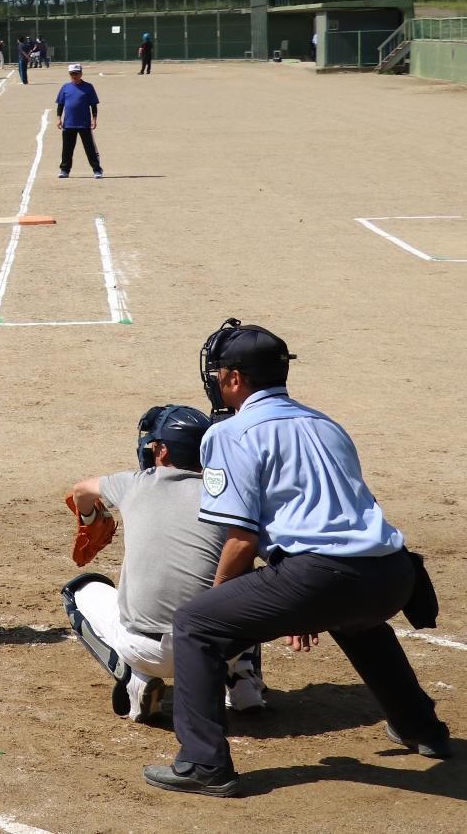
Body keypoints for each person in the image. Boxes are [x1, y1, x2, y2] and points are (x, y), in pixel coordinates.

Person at [144, 320, 451, 797]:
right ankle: (423, 730)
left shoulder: (229, 433)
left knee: (196, 624)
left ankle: (203, 765)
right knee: (359, 622)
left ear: (233, 379)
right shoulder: (325, 422)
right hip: (392, 573)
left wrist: (232, 602)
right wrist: (295, 599)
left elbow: (241, 540)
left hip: (320, 576)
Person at [61, 405, 265, 724]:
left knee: (78, 591)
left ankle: (133, 678)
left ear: (164, 451)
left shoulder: (134, 484)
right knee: (245, 579)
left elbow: (80, 490)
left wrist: (91, 517)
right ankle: (243, 684)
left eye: (155, 445)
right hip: (218, 652)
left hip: (147, 651)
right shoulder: (232, 493)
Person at [55, 63, 103, 179]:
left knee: (90, 148)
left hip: (84, 124)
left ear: (81, 74)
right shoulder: (65, 87)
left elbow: (93, 105)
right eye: (72, 74)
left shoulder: (88, 87)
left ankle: (97, 170)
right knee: (67, 149)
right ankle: (64, 170)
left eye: (76, 73)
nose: (74, 76)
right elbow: (60, 104)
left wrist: (94, 118)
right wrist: (58, 118)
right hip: (69, 124)